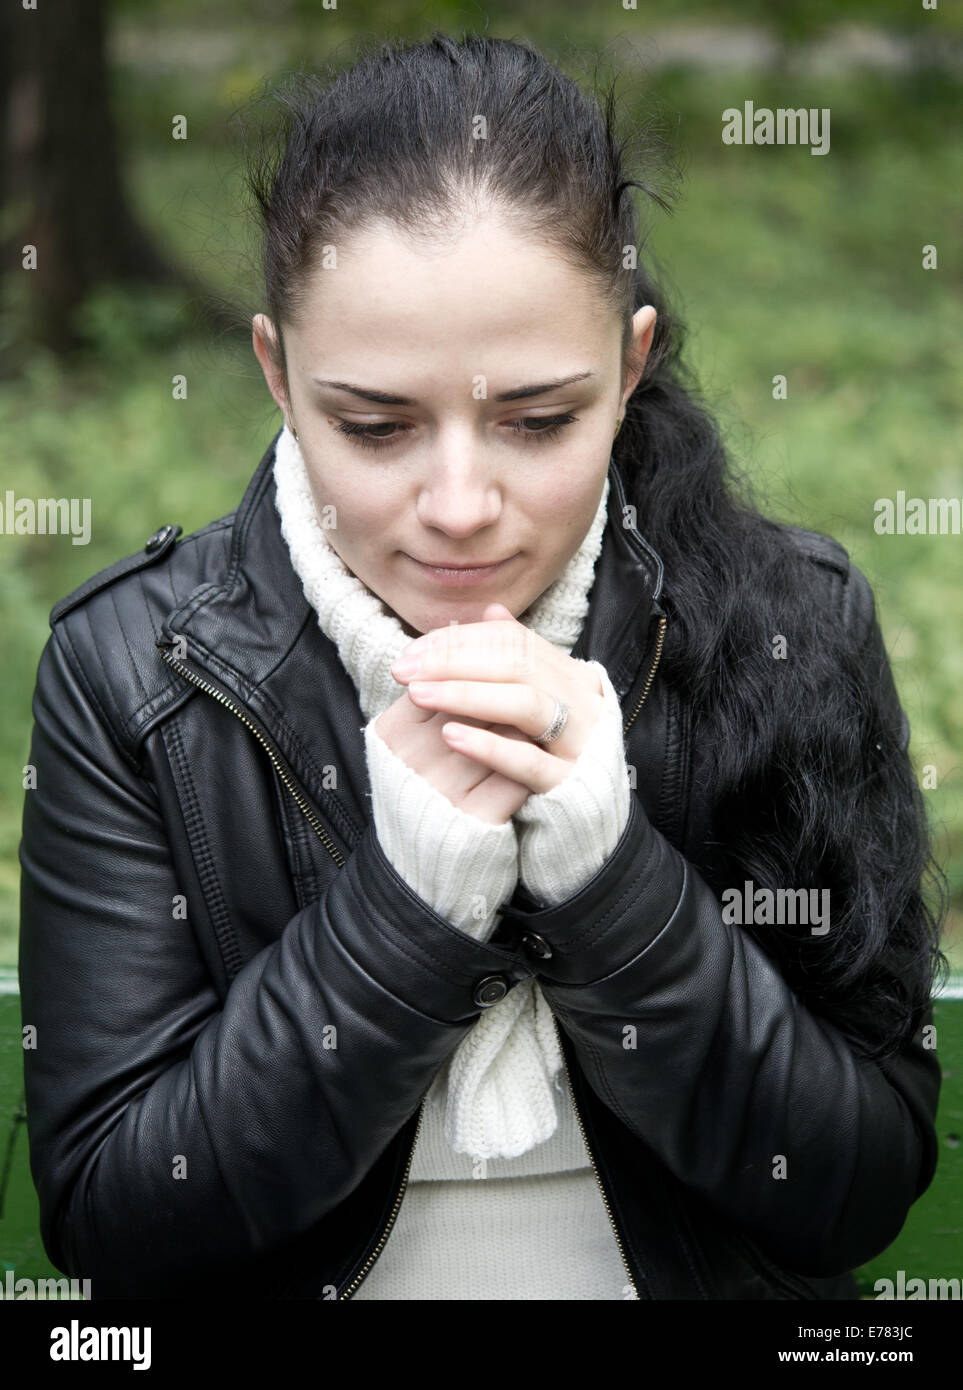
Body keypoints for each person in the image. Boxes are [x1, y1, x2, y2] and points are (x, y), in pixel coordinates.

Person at [18, 32, 948, 1302]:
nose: (460, 505)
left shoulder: (793, 619)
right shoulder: (132, 675)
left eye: (537, 418)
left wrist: (613, 884)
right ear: (277, 376)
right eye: (377, 424)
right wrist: (405, 907)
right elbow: (118, 1220)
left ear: (628, 369)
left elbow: (855, 1186)